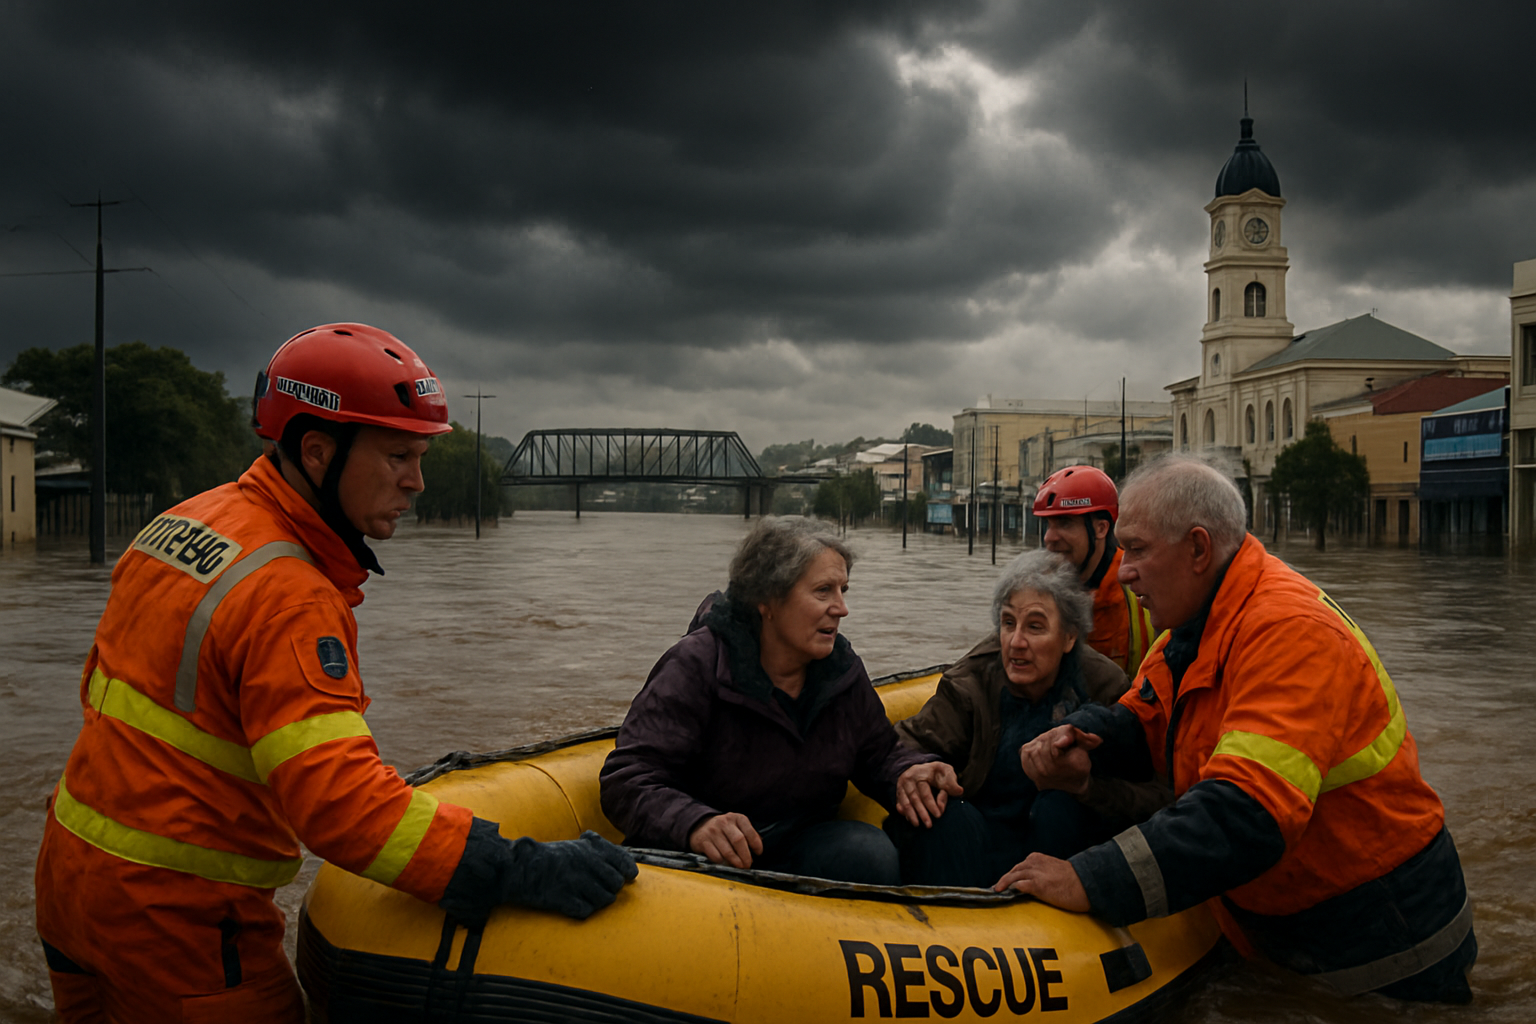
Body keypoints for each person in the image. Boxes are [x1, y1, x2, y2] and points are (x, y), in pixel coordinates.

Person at [34, 324, 636, 1024]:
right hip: (176, 921)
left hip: (69, 882)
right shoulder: (290, 594)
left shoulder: (183, 522)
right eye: (398, 456)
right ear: (318, 452)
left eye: (419, 458)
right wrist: (516, 867)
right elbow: (342, 807)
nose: (416, 482)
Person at [1000, 455, 1477, 1003]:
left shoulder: (1290, 632)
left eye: (1138, 549)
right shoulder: (1192, 625)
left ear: (1198, 549)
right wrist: (1084, 739)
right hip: (1287, 924)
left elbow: (1246, 814)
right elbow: (1148, 718)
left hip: (1385, 940)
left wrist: (1089, 879)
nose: (1124, 570)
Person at [599, 516, 956, 885]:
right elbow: (628, 777)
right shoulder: (697, 664)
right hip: (702, 861)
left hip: (800, 841)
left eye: (843, 590)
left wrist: (908, 772)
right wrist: (696, 823)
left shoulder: (841, 670)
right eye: (823, 591)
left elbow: (879, 754)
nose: (841, 608)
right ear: (767, 600)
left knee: (870, 853)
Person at [890, 550, 1167, 887]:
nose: (1016, 642)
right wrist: (921, 768)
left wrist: (1087, 788)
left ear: (1069, 637)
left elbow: (1158, 795)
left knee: (1058, 807)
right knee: (948, 815)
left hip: (1063, 850)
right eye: (1008, 623)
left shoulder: (1106, 687)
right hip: (980, 841)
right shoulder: (970, 683)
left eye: (1035, 627)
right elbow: (903, 746)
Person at [1034, 465, 1155, 675]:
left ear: (1101, 528)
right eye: (1048, 525)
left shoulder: (1142, 588)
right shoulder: (1039, 589)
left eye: (1065, 523)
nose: (1049, 538)